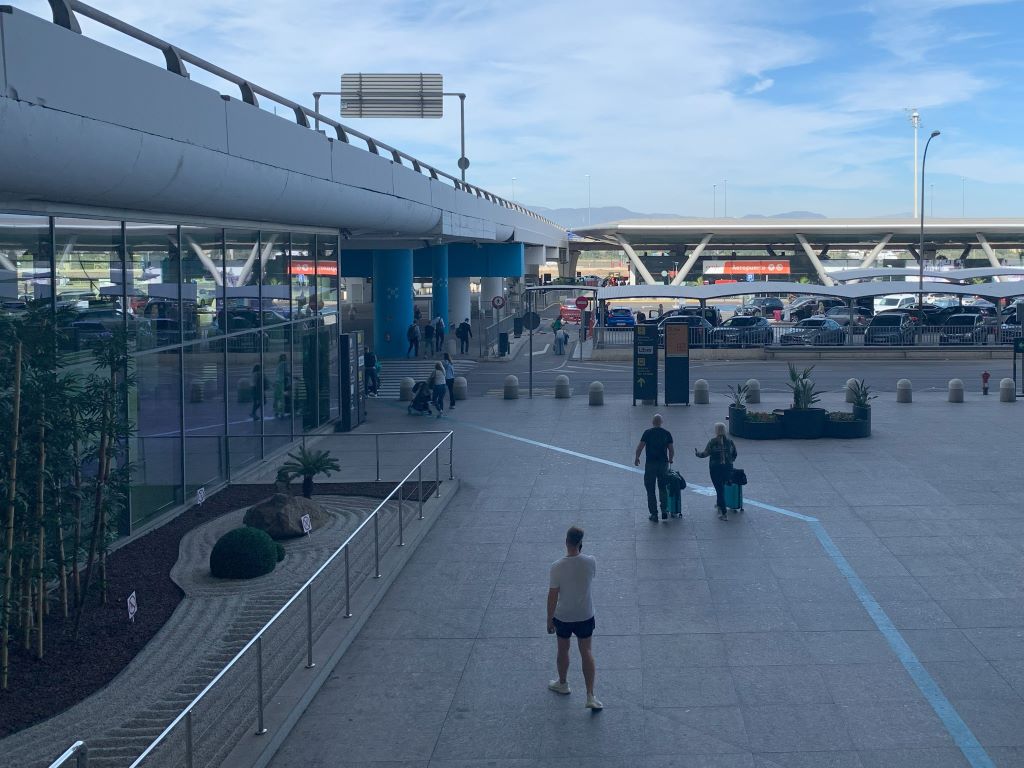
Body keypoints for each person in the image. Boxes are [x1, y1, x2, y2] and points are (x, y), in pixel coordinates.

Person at [547, 526, 602, 710]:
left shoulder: (556, 567)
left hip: (563, 616)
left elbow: (552, 595)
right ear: (580, 543)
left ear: (566, 542)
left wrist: (549, 619)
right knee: (586, 651)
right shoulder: (590, 562)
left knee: (563, 649)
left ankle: (563, 683)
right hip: (585, 615)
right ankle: (590, 695)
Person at [634, 414, 674, 521]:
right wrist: (670, 459)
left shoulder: (647, 433)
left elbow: (640, 447)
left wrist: (637, 457)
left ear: (652, 422)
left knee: (650, 489)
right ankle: (664, 510)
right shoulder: (667, 433)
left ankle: (654, 514)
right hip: (663, 464)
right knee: (663, 488)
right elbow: (671, 449)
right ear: (661, 422)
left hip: (651, 464)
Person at [695, 422, 737, 521]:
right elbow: (735, 454)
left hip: (716, 469)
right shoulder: (730, 442)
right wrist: (729, 461)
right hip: (727, 469)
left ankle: (723, 512)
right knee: (721, 487)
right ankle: (719, 504)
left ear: (716, 431)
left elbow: (704, 454)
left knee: (719, 489)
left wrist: (697, 453)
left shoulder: (712, 442)